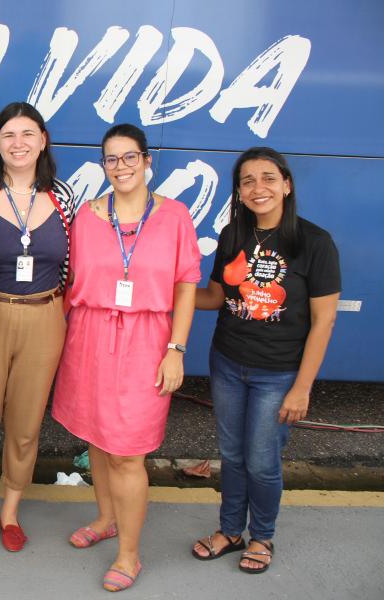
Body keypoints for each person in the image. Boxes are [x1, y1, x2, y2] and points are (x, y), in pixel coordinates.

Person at [51, 123, 201, 592]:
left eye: (129, 157)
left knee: (127, 453)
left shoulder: (175, 216)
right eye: (112, 159)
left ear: (147, 160)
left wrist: (175, 350)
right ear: (104, 165)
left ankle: (130, 554)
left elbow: (186, 284)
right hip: (89, 336)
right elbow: (71, 283)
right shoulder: (88, 217)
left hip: (147, 339)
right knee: (96, 440)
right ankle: (105, 517)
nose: (121, 167)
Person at [190, 147, 340, 573]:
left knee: (261, 459)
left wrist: (302, 387)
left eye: (268, 178)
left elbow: (324, 322)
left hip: (279, 373)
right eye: (248, 180)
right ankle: (230, 530)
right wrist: (167, 290)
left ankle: (263, 536)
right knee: (232, 455)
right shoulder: (232, 235)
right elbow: (216, 297)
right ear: (238, 191)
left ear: (287, 185)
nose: (259, 188)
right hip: (227, 363)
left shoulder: (315, 242)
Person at [0, 102, 74, 552]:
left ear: (43, 140)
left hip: (44, 316)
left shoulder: (62, 196)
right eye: (8, 135)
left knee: (25, 426)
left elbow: (71, 265)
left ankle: (10, 513)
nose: (18, 143)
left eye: (28, 133)